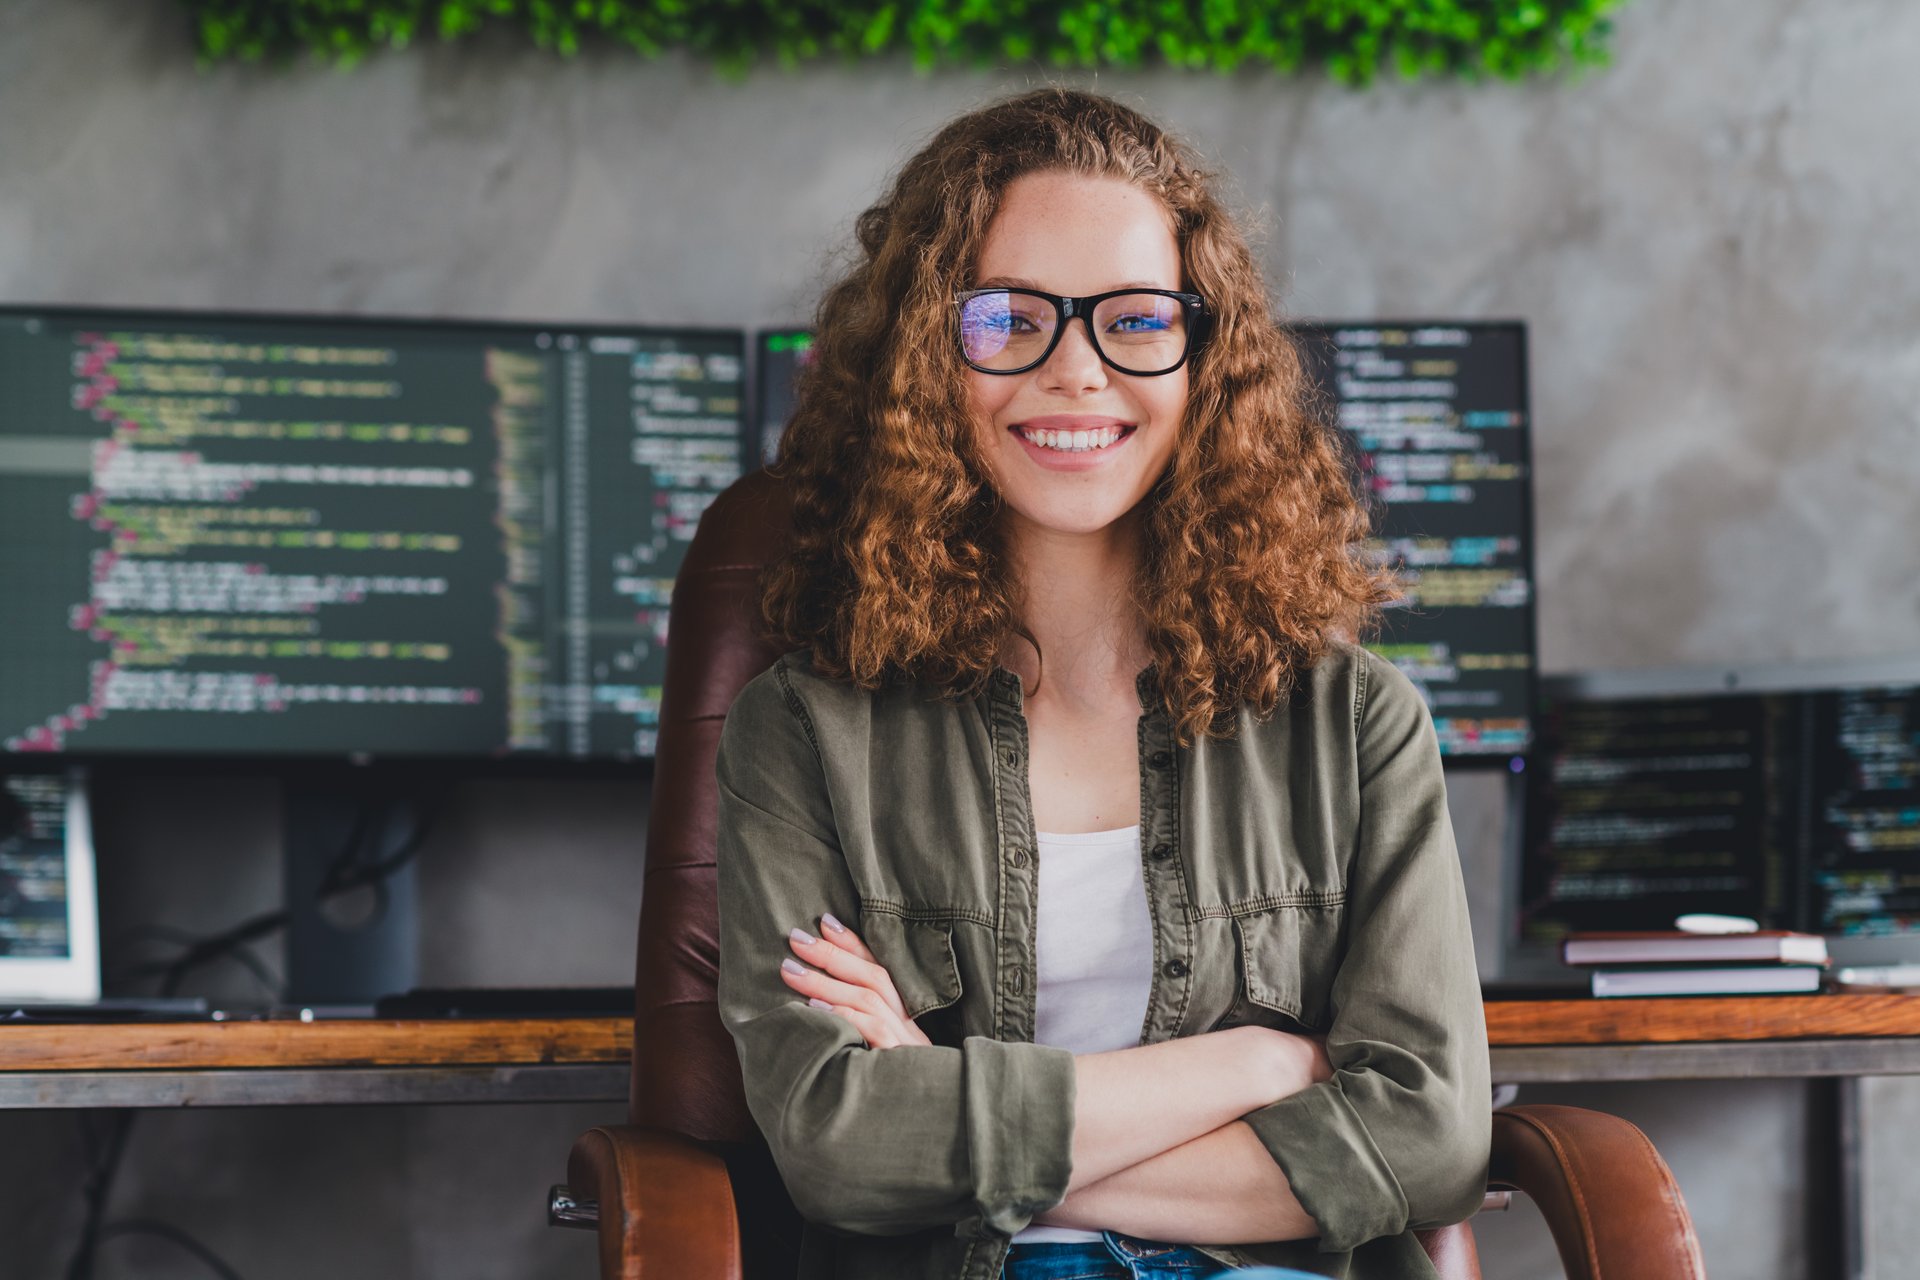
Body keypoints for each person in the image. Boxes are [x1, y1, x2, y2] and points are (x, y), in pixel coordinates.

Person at [714, 88, 1489, 1280]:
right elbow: (838, 1150)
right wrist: (1266, 1065)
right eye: (1009, 318)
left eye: (1134, 320)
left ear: (1204, 353)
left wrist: (949, 1118)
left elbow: (1429, 1140)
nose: (1077, 371)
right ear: (929, 352)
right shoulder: (806, 729)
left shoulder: (1355, 719)